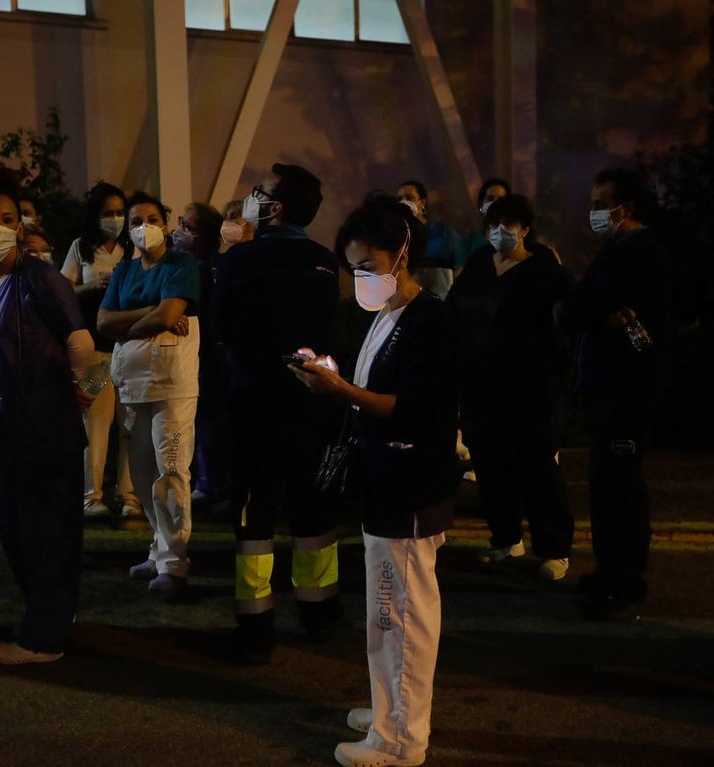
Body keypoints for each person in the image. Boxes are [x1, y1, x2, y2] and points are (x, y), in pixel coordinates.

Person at [291, 192, 459, 767]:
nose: (359, 278)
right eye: (353, 268)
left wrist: (340, 390)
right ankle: (388, 707)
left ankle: (400, 739)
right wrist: (332, 372)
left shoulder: (429, 322)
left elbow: (411, 407)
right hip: (384, 482)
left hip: (409, 485)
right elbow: (373, 390)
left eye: (367, 266)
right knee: (387, 609)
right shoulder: (389, 317)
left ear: (402, 254)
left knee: (401, 614)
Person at [212, 163, 342, 664]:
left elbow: (222, 327)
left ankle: (256, 623)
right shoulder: (325, 262)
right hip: (312, 399)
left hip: (254, 402)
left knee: (255, 512)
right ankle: (320, 611)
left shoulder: (242, 260)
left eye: (260, 192)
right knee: (313, 508)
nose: (253, 198)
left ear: (276, 207)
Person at [0, 168, 94, 665]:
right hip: (2, 435)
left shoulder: (41, 279)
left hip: (47, 435)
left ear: (21, 226)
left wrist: (81, 399)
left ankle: (43, 638)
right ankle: (52, 613)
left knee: (47, 536)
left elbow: (87, 350)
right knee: (15, 534)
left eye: (7, 219)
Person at [446, 193, 576, 581]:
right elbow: (455, 312)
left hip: (530, 388)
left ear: (525, 228)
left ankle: (553, 548)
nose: (501, 232)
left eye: (510, 225)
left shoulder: (545, 271)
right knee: (490, 466)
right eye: (494, 225)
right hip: (481, 387)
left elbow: (569, 320)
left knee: (536, 467)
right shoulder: (479, 265)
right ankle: (505, 538)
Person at [563, 166, 672, 621]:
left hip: (625, 391)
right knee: (609, 485)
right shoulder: (618, 251)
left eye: (599, 204)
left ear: (624, 209)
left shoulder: (639, 254)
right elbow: (583, 310)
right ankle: (612, 573)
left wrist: (592, 312)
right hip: (610, 388)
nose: (593, 213)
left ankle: (622, 583)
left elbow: (583, 307)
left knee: (618, 489)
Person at [97, 190, 201, 596]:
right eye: (137, 220)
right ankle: (158, 550)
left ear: (165, 223)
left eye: (153, 218)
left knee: (171, 470)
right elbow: (103, 322)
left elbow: (171, 313)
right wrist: (150, 314)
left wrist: (147, 317)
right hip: (132, 384)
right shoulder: (124, 270)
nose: (145, 228)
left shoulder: (181, 265)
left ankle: (174, 563)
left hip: (172, 384)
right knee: (142, 474)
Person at [60, 181, 142, 521]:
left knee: (131, 425)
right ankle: (91, 496)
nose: (115, 219)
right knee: (95, 423)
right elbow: (63, 291)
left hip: (130, 350)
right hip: (97, 353)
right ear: (95, 215)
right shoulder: (81, 248)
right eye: (108, 213)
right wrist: (92, 285)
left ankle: (130, 496)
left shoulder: (134, 248)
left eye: (120, 212)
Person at [173, 202, 230, 510]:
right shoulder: (186, 267)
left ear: (206, 237)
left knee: (207, 420)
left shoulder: (205, 271)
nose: (179, 232)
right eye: (180, 223)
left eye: (188, 228)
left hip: (204, 357)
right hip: (196, 357)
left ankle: (211, 482)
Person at [396, 180, 461, 300]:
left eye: (409, 197)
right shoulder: (397, 238)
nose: (403, 202)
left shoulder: (443, 232)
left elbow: (460, 266)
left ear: (422, 202)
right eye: (399, 199)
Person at [453, 177, 510, 278]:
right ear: (481, 205)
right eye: (490, 198)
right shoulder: (468, 242)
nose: (495, 203)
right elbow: (459, 276)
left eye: (501, 199)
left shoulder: (516, 240)